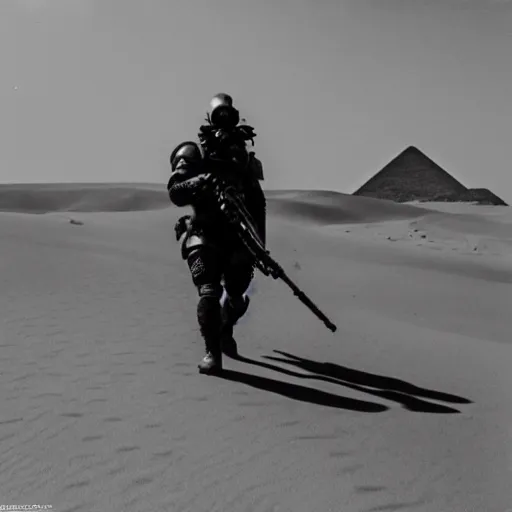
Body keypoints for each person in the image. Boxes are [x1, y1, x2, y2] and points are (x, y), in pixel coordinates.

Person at [167, 94, 267, 374]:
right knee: (209, 291)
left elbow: (258, 203)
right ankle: (212, 352)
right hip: (204, 233)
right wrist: (201, 180)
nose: (224, 124)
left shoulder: (245, 161)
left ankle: (225, 330)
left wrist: (261, 246)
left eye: (229, 116)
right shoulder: (194, 153)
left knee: (236, 296)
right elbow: (175, 191)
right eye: (218, 116)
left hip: (239, 237)